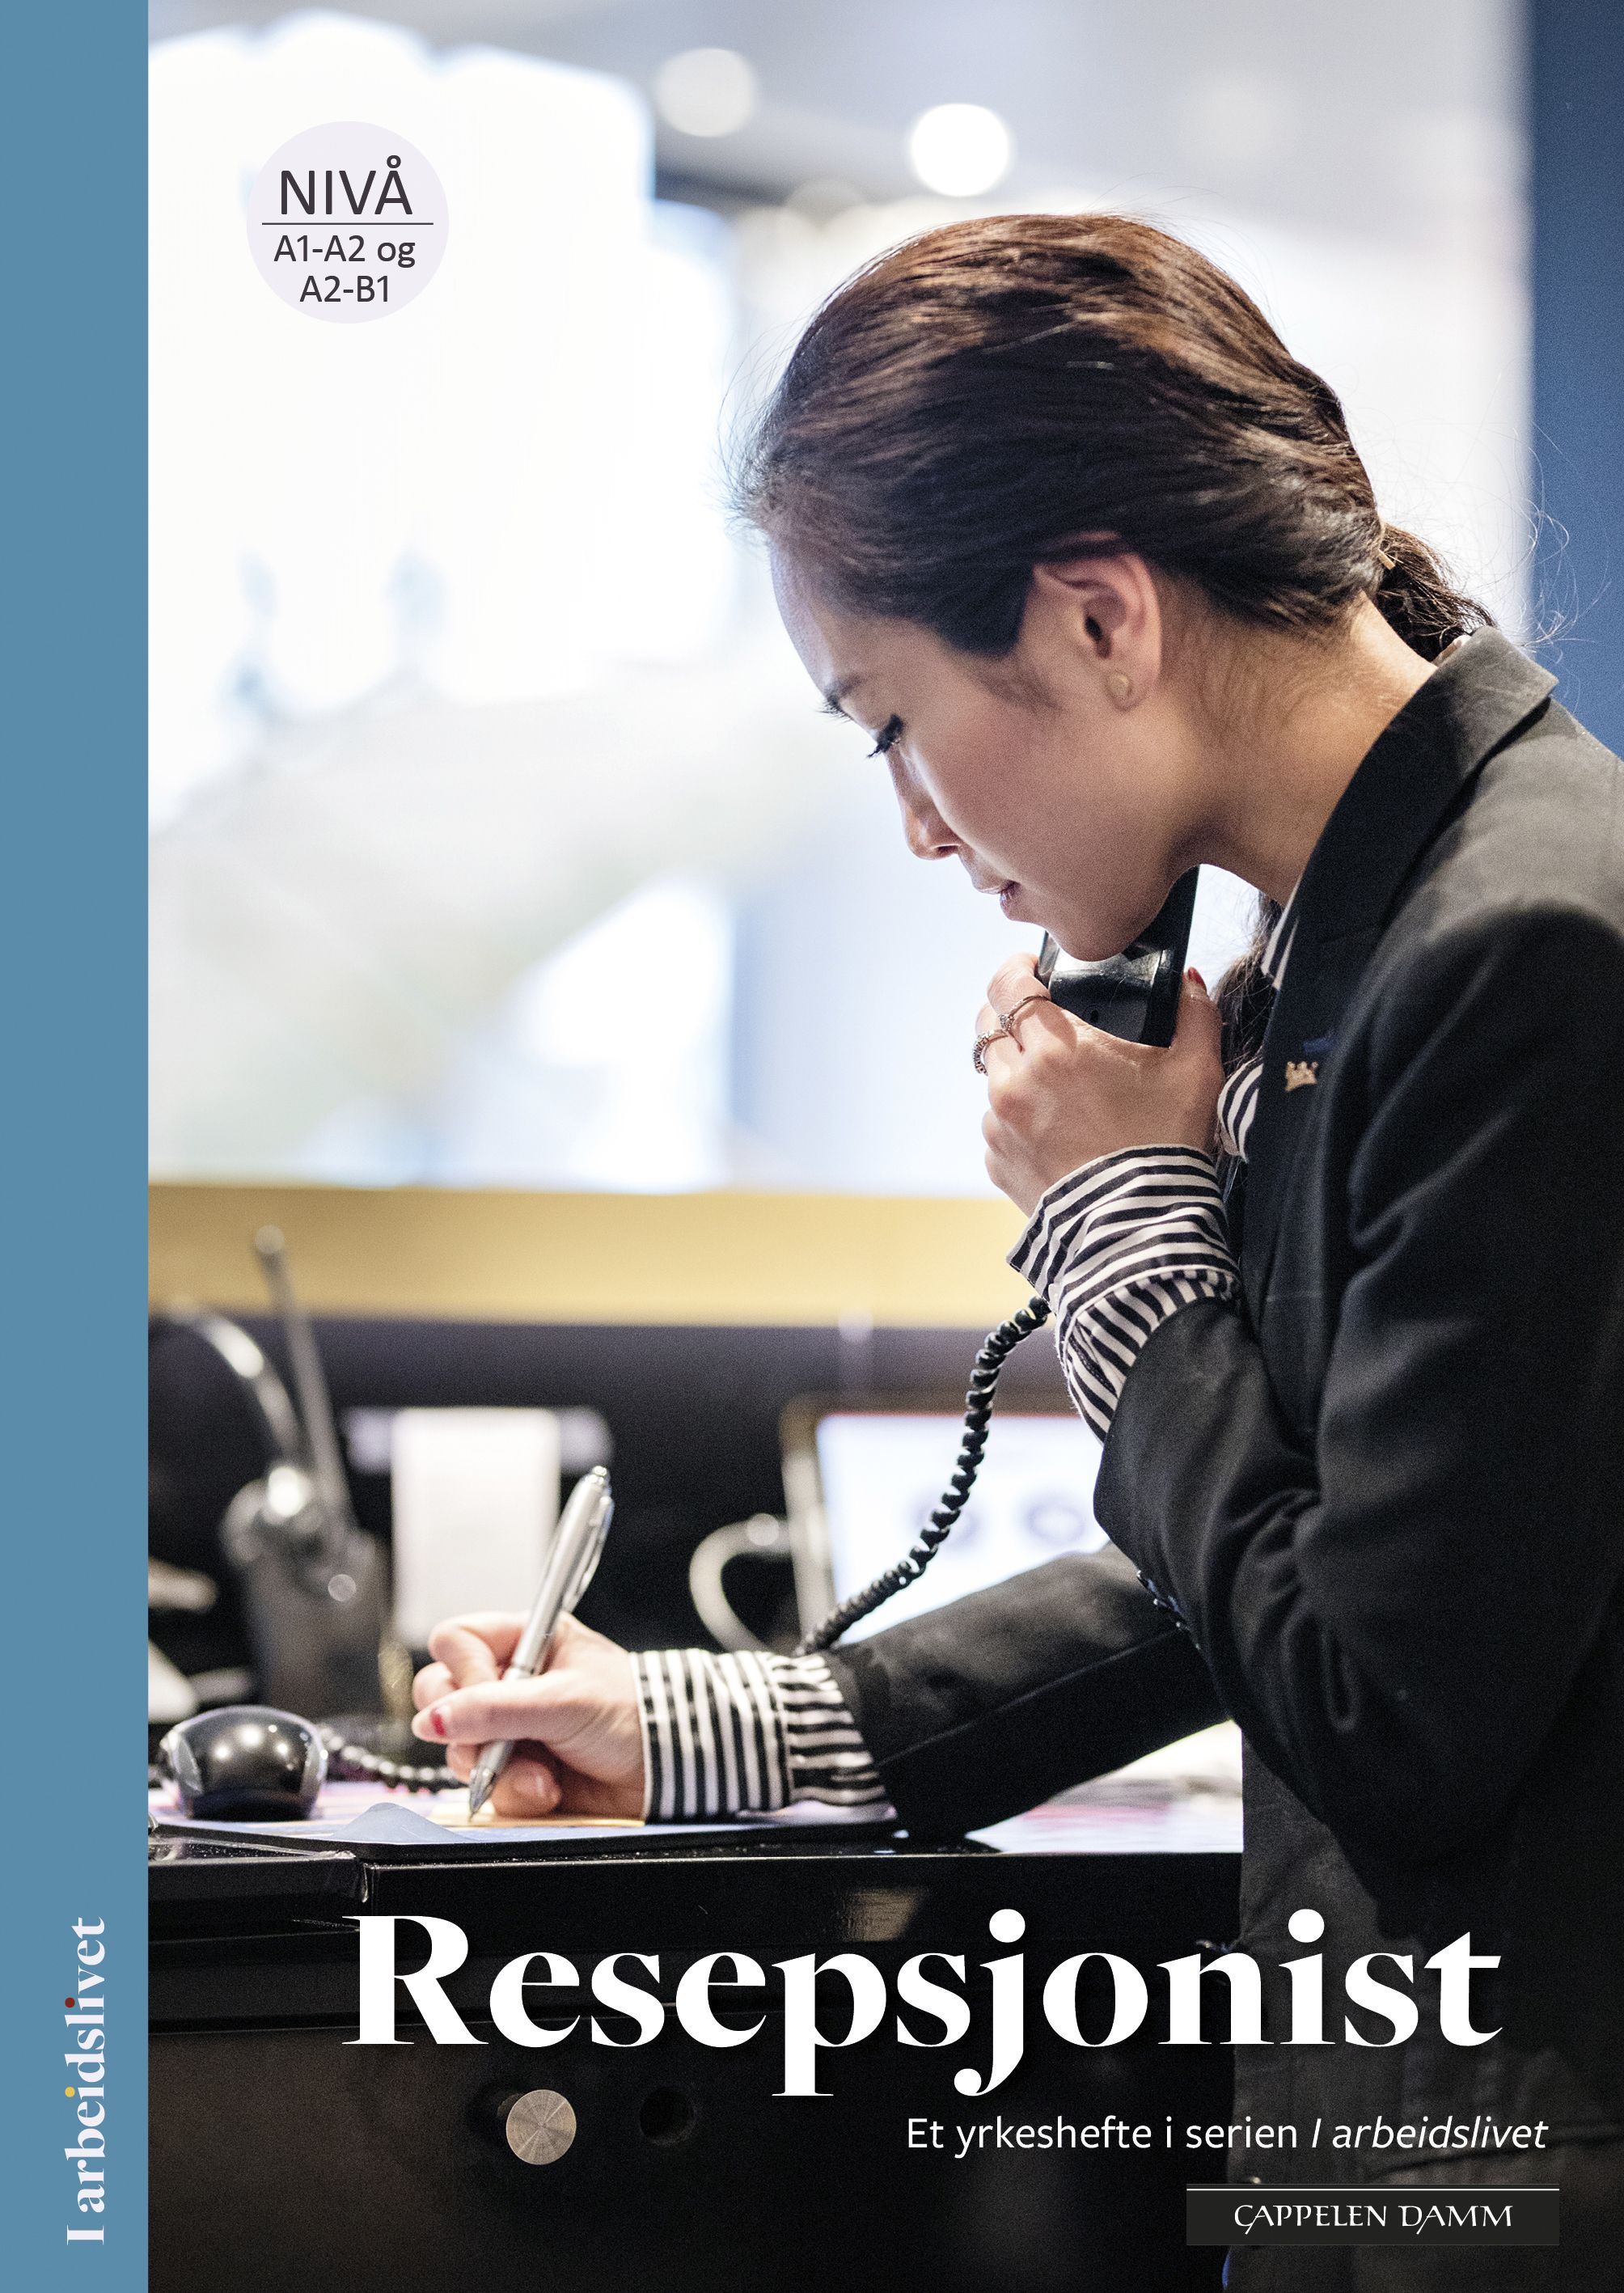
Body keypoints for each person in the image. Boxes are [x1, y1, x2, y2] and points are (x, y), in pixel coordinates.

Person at [409, 216, 1624, 2287]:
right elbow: (1277, 1564)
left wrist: (1120, 1228)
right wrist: (714, 1727)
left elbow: (1382, 1705)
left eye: (885, 716)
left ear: (1094, 614)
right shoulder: (1348, 944)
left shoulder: (1524, 942)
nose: (911, 818)